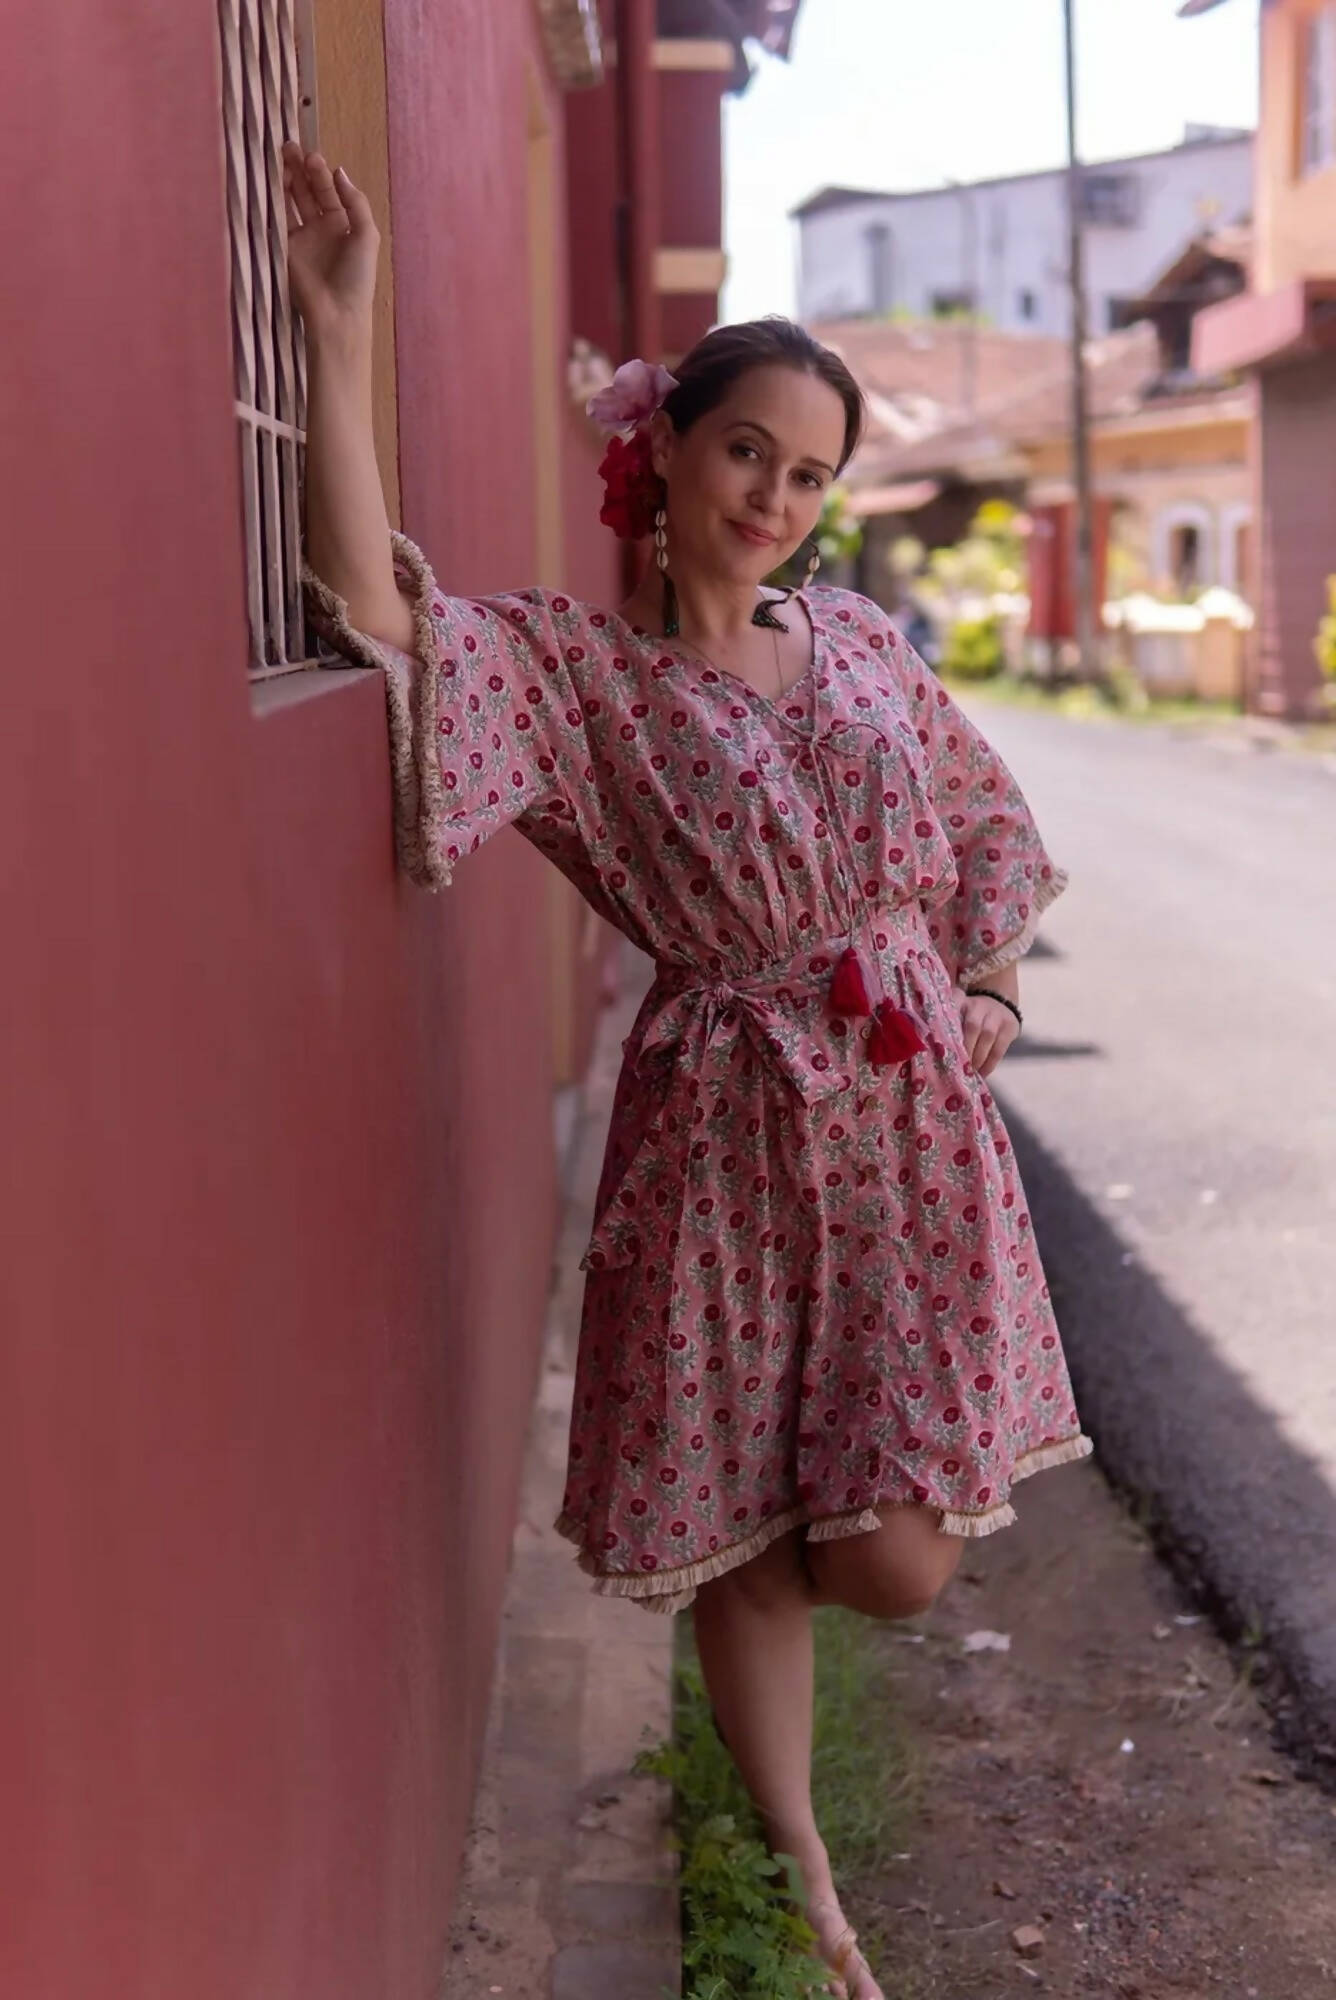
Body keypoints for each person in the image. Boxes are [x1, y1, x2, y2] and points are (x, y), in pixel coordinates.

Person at [284, 145, 1091, 2000]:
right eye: (749, 454)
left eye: (811, 476)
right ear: (669, 448)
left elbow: (981, 828)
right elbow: (383, 621)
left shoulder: (868, 643)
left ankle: (785, 1729)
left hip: (904, 1128)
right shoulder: (580, 682)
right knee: (745, 1511)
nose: (777, 500)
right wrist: (337, 335)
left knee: (889, 1558)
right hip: (724, 1131)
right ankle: (809, 1886)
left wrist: (987, 984)